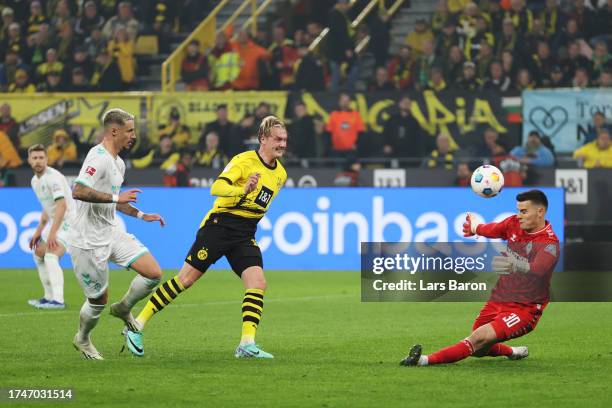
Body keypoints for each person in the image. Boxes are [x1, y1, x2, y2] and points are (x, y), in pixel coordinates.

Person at [125, 116, 288, 359]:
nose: (282, 144)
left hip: (244, 234)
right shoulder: (243, 161)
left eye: (285, 139)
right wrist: (242, 190)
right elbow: (217, 188)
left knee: (258, 283)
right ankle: (136, 326)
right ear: (262, 139)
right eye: (278, 139)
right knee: (185, 280)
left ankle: (246, 343)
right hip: (219, 227)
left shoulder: (281, 174)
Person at [401, 189, 560, 366]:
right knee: (479, 348)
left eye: (524, 211)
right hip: (500, 298)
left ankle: (423, 360)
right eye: (518, 210)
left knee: (478, 339)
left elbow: (537, 269)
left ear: (540, 212)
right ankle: (513, 351)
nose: (519, 216)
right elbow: (493, 229)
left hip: (525, 308)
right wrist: (475, 228)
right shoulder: (513, 223)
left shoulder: (549, 243)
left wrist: (514, 263)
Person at [69, 109, 166, 360]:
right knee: (98, 301)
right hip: (87, 240)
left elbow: (116, 202)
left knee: (153, 273)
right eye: (130, 130)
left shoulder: (118, 162)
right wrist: (116, 197)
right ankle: (82, 338)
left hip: (110, 231)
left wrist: (143, 216)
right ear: (114, 131)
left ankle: (123, 308)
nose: (133, 136)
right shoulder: (97, 157)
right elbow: (78, 190)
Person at [27, 144, 75, 310]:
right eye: (35, 158)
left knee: (51, 255)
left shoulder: (52, 178)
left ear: (47, 159)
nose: (38, 161)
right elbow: (48, 207)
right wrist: (38, 231)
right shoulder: (35, 181)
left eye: (41, 158)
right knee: (39, 254)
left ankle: (58, 301)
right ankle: (48, 297)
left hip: (70, 221)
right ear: (29, 160)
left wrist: (52, 234)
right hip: (57, 221)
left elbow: (61, 206)